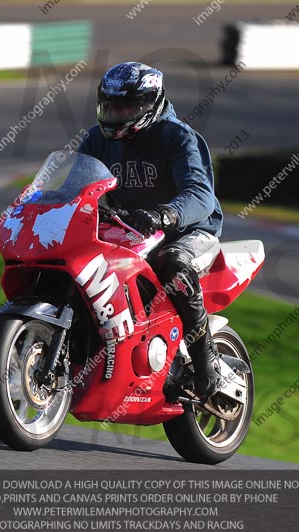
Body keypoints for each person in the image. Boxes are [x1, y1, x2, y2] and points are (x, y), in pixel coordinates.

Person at [79, 62, 224, 398]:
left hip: (186, 232)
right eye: (111, 105)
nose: (116, 113)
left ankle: (206, 356)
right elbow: (75, 183)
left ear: (149, 103)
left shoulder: (179, 138)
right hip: (129, 233)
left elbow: (201, 196)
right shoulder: (96, 140)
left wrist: (166, 214)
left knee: (173, 262)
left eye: (126, 106)